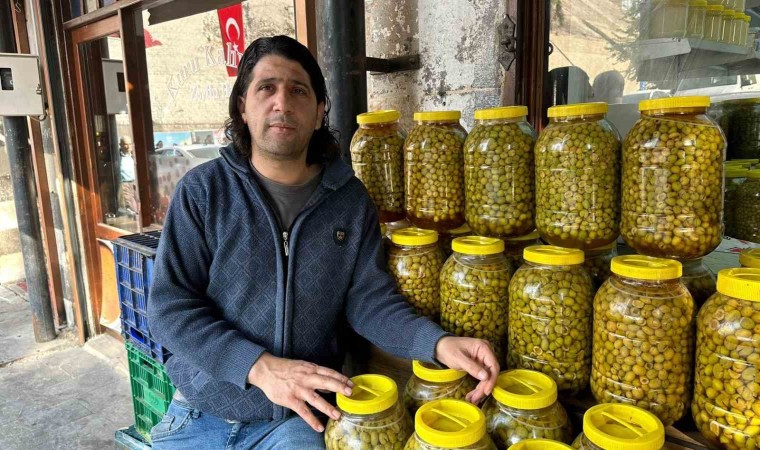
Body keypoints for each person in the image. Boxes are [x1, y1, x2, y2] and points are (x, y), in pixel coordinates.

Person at [147, 35, 499, 449]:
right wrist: (259, 367)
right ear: (242, 106)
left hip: (299, 420)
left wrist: (436, 343)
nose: (282, 102)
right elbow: (170, 309)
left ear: (318, 112)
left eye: (298, 90)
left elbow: (369, 302)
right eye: (266, 88)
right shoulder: (204, 192)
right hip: (199, 410)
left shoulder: (349, 201)